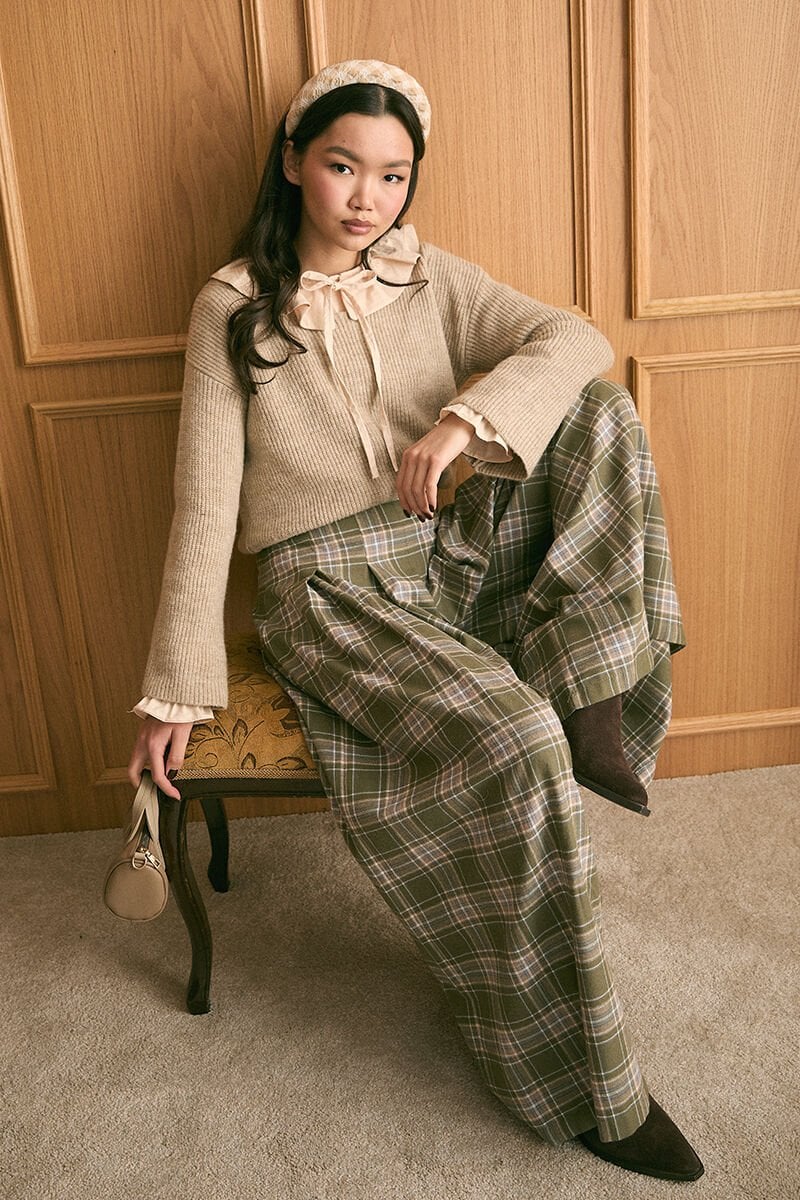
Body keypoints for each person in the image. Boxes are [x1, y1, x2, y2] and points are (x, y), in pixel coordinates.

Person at [128, 60, 703, 1182]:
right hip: (330, 590)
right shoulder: (231, 306)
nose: (367, 198)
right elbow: (202, 503)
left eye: (392, 176)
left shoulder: (426, 273)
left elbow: (574, 336)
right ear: (294, 164)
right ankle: (588, 1086)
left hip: (441, 542)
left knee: (596, 409)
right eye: (343, 167)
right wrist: (173, 691)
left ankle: (592, 691)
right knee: (515, 745)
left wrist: (462, 422)